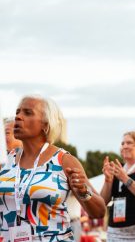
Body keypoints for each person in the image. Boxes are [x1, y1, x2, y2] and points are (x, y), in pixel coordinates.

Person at [0, 95, 106, 241]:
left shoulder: (64, 161)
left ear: (46, 124)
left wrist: (84, 191)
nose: (18, 117)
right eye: (17, 112)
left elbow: (99, 211)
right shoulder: (6, 162)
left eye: (27, 112)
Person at [100, 131, 135, 242]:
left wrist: (124, 178)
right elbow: (103, 201)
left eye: (129, 143)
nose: (124, 146)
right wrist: (108, 180)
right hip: (114, 229)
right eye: (122, 143)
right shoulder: (116, 168)